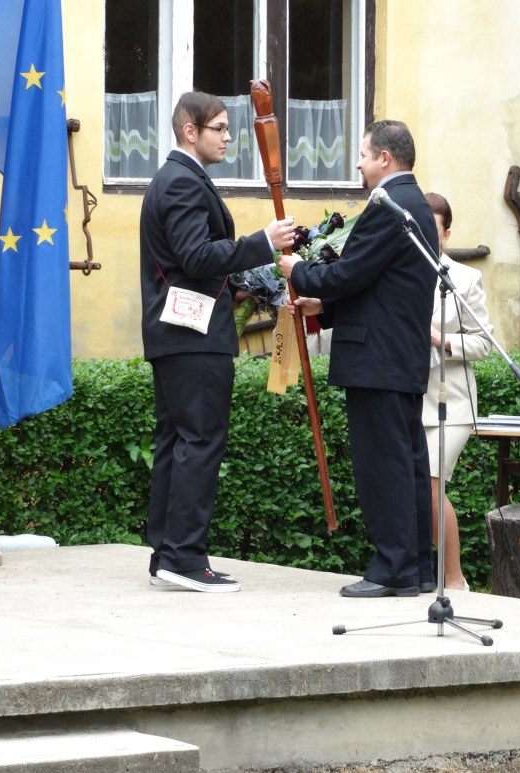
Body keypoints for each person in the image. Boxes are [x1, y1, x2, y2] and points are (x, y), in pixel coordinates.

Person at [140, 91, 296, 593]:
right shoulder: (184, 181)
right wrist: (262, 243)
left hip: (179, 332)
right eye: (221, 128)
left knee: (179, 439)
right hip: (193, 335)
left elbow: (192, 260)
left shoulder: (176, 178)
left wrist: (246, 281)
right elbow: (197, 254)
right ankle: (184, 559)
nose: (229, 137)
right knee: (200, 440)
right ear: (191, 131)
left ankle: (168, 553)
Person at [280, 120, 438, 598]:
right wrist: (322, 308)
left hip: (379, 359)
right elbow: (378, 286)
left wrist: (298, 271)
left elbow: (350, 273)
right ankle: (417, 569)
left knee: (383, 465)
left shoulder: (389, 206)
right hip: (397, 356)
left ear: (385, 158)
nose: (359, 163)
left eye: (365, 155)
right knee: (407, 464)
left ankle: (392, 568)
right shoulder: (416, 204)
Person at [423, 192, 492, 591]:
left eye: (434, 232)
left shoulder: (465, 278)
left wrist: (440, 341)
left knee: (432, 485)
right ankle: (422, 576)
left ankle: (455, 580)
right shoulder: (397, 272)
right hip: (407, 397)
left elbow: (483, 344)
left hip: (452, 400)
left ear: (447, 234)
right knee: (413, 489)